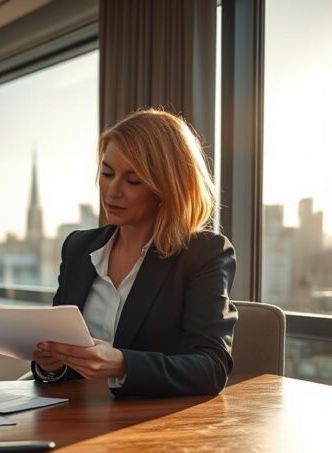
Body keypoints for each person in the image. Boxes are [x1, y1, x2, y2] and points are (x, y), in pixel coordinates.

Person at [32, 108, 237, 396]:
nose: (112, 191)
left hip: (151, 427)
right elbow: (61, 361)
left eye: (133, 180)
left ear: (167, 187)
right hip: (75, 417)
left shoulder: (204, 254)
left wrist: (124, 364)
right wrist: (49, 365)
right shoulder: (79, 248)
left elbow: (211, 368)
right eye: (107, 173)